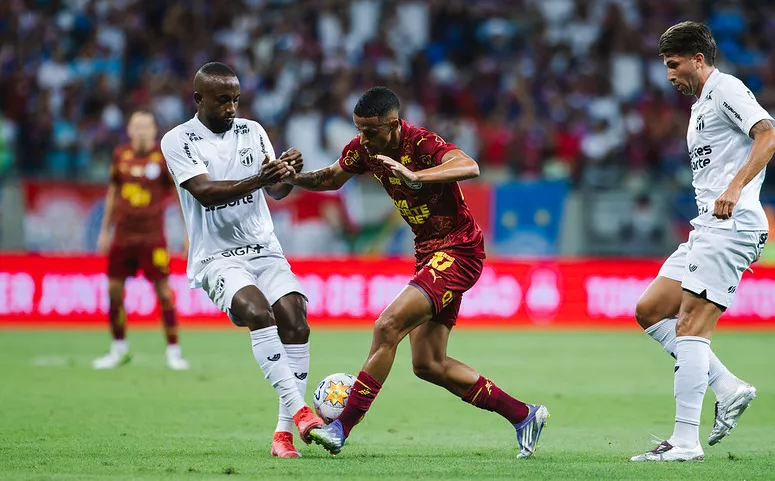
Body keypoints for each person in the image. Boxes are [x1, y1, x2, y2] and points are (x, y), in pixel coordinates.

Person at [285, 86, 548, 458]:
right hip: (428, 254)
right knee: (428, 363)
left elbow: (469, 165)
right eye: (358, 129)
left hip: (459, 250)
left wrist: (417, 176)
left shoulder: (421, 143)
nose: (362, 138)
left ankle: (340, 428)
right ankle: (524, 415)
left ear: (393, 125)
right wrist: (293, 179)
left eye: (370, 131)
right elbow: (330, 177)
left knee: (387, 325)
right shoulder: (364, 149)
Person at [631, 22, 775, 462]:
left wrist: (734, 188)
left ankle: (684, 443)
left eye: (674, 64)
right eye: (665, 66)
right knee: (650, 309)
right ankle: (728, 386)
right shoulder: (700, 106)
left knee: (691, 328)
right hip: (708, 227)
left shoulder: (726, 89)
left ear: (699, 59)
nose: (669, 75)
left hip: (731, 226)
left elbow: (768, 135)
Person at [160, 62, 323, 458]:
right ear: (198, 99)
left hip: (264, 247)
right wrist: (261, 180)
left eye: (235, 99)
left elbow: (277, 192)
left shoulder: (253, 131)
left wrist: (287, 172)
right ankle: (302, 411)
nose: (231, 107)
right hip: (215, 255)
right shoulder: (178, 140)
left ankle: (284, 433)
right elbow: (205, 192)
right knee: (257, 312)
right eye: (222, 100)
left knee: (296, 320)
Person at [93, 111, 190, 371]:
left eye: (147, 126)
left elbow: (180, 195)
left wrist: (188, 232)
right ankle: (119, 348)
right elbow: (113, 192)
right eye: (137, 126)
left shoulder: (162, 159)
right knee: (113, 291)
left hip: (152, 237)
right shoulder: (120, 156)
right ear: (129, 130)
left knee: (164, 294)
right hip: (122, 237)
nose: (142, 131)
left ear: (155, 130)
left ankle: (174, 350)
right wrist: (105, 231)